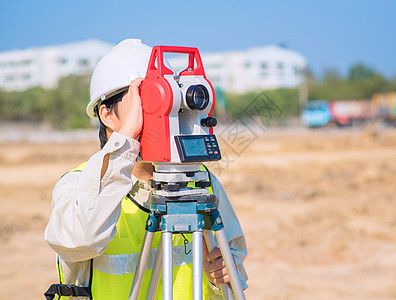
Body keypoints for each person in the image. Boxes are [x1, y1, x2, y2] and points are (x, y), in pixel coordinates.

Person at [44, 39, 248, 300]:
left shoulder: (200, 182)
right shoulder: (78, 184)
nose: (156, 116)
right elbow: (80, 240)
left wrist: (219, 278)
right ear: (107, 114)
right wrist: (126, 140)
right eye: (143, 104)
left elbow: (234, 267)